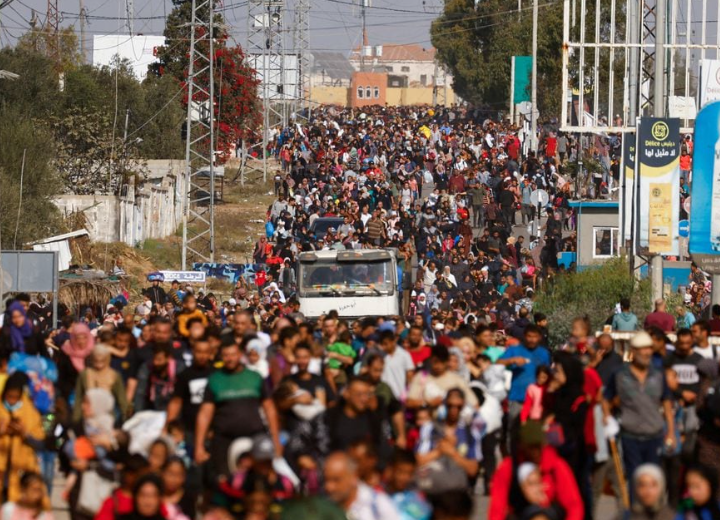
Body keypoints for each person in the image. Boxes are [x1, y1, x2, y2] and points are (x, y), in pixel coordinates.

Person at [195, 340, 281, 479]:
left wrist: (275, 440)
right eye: (226, 355)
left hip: (254, 436)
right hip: (224, 438)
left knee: (259, 478)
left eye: (233, 354)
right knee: (222, 480)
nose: (230, 359)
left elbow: (269, 408)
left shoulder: (255, 377)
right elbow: (205, 413)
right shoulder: (215, 379)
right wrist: (199, 446)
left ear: (240, 355)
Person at [603, 331, 675, 491]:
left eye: (649, 348)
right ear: (634, 351)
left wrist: (670, 431)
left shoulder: (658, 374)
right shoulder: (619, 374)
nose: (647, 352)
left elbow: (667, 402)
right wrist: (607, 418)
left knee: (653, 482)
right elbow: (606, 398)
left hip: (654, 435)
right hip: (630, 436)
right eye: (642, 348)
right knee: (636, 482)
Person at [489, 421, 583, 520]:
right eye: (531, 446)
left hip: (549, 513)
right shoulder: (508, 467)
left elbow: (574, 505)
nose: (535, 451)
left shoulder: (556, 465)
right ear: (521, 445)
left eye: (538, 446)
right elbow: (497, 508)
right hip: (519, 513)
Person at [497, 325, 551, 452]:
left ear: (539, 338)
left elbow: (547, 374)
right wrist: (512, 360)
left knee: (535, 432)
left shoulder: (544, 354)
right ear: (524, 337)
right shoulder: (514, 350)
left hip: (537, 401)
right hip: (517, 398)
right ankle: (512, 459)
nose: (532, 340)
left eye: (535, 337)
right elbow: (498, 363)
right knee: (514, 430)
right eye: (529, 336)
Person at [0, 372, 45, 503]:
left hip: (21, 474)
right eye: (9, 397)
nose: (12, 401)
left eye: (15, 398)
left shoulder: (31, 413)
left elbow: (40, 444)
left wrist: (25, 434)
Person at [323, 452, 398, 520]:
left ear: (354, 476)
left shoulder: (378, 505)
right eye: (326, 480)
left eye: (336, 480)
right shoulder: (322, 507)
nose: (329, 487)